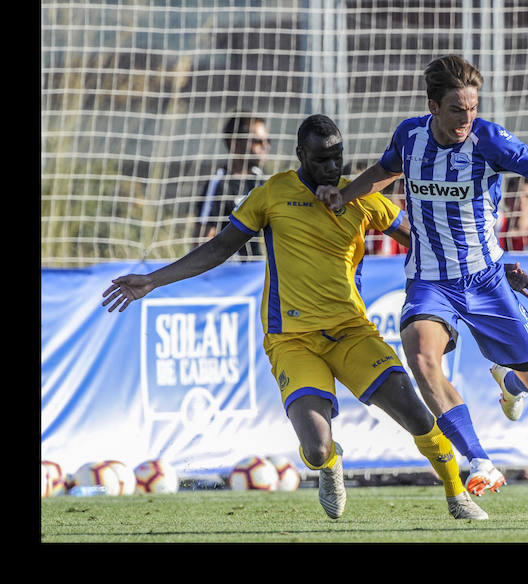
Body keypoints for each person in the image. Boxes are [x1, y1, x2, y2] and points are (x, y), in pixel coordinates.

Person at [102, 114, 490, 521]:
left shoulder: (359, 197)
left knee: (415, 413)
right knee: (317, 448)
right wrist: (152, 280)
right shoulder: (273, 194)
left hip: (351, 333)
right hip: (291, 340)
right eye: (322, 159)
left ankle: (457, 495)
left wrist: (476, 280)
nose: (332, 167)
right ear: (301, 155)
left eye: (338, 157)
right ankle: (330, 466)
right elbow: (219, 248)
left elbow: (425, 243)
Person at [315, 54, 528, 497]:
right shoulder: (410, 136)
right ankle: (480, 459)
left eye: (473, 108)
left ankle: (509, 380)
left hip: (486, 280)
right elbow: (383, 173)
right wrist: (343, 196)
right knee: (422, 358)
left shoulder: (489, 141)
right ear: (433, 106)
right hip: (430, 282)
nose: (466, 119)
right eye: (457, 110)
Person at [195, 114, 270, 258]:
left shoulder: (261, 180)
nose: (265, 147)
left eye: (268, 141)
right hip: (228, 273)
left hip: (255, 271)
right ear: (236, 144)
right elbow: (202, 239)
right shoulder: (219, 183)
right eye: (257, 141)